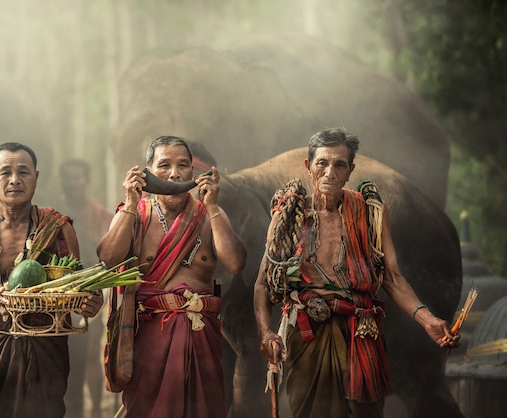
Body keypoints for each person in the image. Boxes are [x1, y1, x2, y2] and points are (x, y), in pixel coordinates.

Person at [253, 128, 459, 418]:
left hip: (362, 333)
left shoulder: (371, 212)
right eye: (322, 163)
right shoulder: (289, 214)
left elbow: (393, 277)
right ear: (308, 167)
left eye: (339, 164)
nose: (329, 172)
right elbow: (263, 283)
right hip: (306, 334)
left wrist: (427, 320)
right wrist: (265, 332)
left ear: (351, 170)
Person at [0, 142, 103, 418]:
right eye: (5, 172)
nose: (14, 180)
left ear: (36, 178)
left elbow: (78, 290)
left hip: (47, 354)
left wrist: (89, 302)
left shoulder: (59, 229)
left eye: (23, 172)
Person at [97, 135, 247, 418]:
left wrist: (213, 207)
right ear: (147, 172)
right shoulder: (135, 214)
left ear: (194, 172)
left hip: (200, 337)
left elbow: (236, 263)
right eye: (164, 165)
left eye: (183, 166)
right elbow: (107, 258)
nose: (175, 173)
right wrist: (130, 202)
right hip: (150, 343)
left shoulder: (210, 215)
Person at [59, 158, 113, 418]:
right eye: (68, 178)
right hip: (56, 296)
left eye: (77, 177)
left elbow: (110, 256)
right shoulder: (53, 213)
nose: (72, 183)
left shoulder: (100, 214)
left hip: (89, 292)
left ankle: (93, 411)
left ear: (86, 180)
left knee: (91, 352)